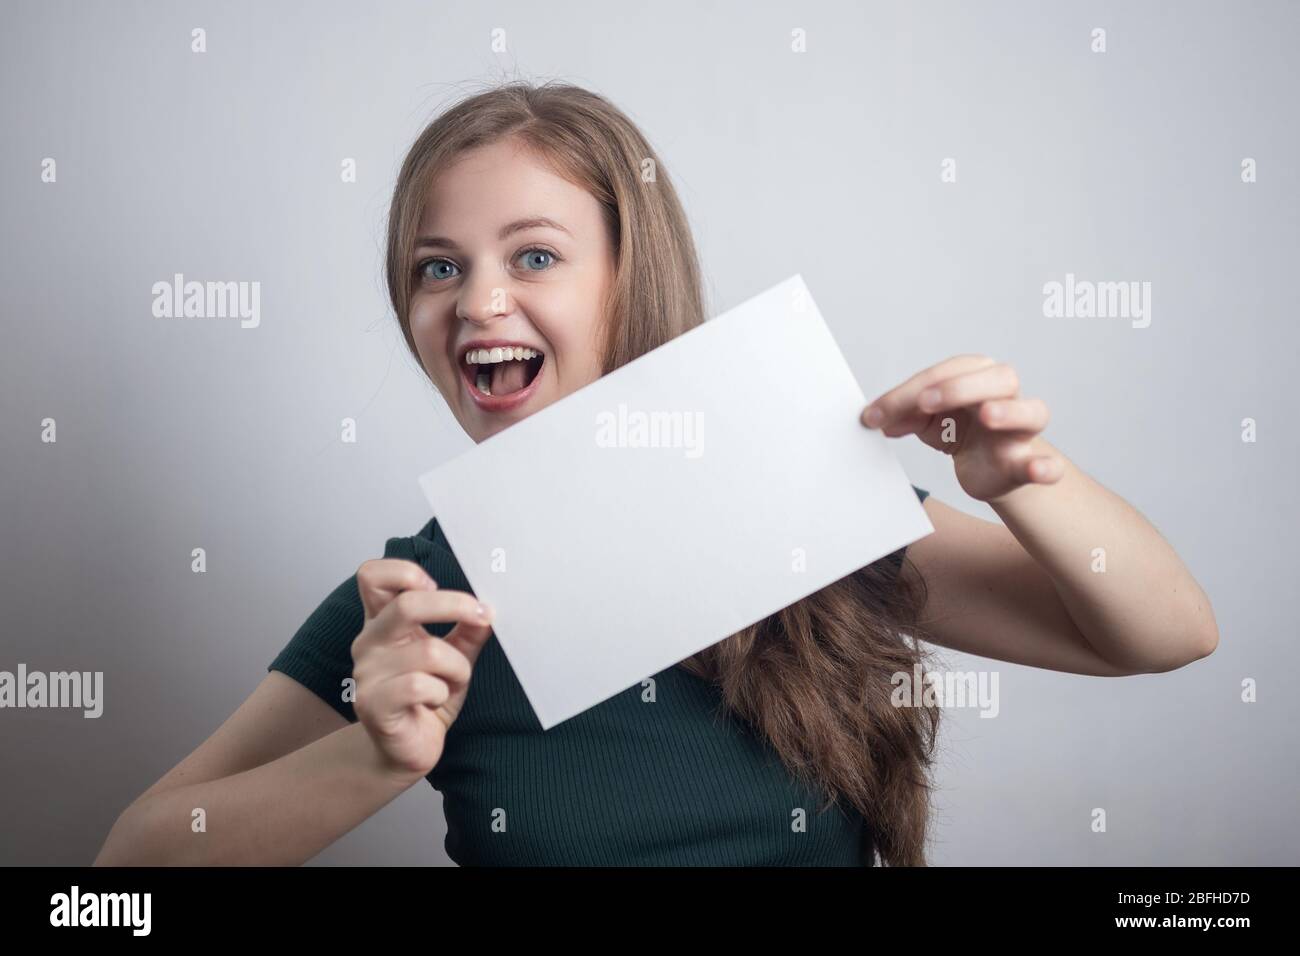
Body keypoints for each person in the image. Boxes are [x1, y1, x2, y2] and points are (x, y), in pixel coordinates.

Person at [95, 80, 1218, 867]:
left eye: (534, 255)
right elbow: (120, 877)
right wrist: (373, 757)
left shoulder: (792, 500)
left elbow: (1166, 633)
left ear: (630, 279)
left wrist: (1025, 483)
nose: (478, 299)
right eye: (438, 267)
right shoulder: (417, 605)